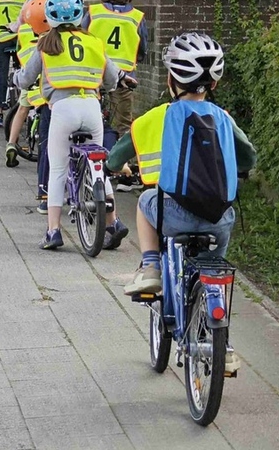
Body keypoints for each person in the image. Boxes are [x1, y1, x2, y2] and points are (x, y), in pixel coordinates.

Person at [107, 33, 257, 296]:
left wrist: (115, 166)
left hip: (173, 216)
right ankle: (212, 300)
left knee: (145, 201)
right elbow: (248, 157)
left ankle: (151, 268)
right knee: (213, 269)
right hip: (219, 219)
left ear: (171, 80)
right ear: (214, 83)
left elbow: (117, 157)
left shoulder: (157, 116)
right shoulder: (223, 117)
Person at [14, 0, 131, 250]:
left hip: (63, 110)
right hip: (91, 108)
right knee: (98, 165)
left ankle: (53, 231)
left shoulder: (45, 45)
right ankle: (113, 222)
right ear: (79, 16)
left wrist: (16, 79)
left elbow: (25, 79)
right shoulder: (94, 42)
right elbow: (111, 80)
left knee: (57, 169)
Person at [82, 0, 148, 191]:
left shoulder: (92, 12)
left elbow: (81, 38)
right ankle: (123, 170)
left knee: (91, 120)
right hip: (125, 79)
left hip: (93, 75)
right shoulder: (138, 18)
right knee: (123, 125)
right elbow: (143, 50)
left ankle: (89, 163)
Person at [5, 0, 52, 169]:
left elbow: (18, 51)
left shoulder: (24, 29)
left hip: (29, 78)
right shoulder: (53, 34)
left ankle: (11, 143)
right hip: (48, 80)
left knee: (23, 109)